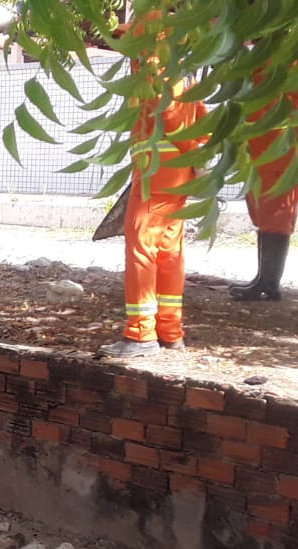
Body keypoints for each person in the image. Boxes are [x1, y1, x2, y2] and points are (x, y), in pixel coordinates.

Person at [100, 14, 209, 359]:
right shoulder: (179, 68)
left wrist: (193, 158)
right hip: (173, 175)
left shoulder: (154, 67)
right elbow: (198, 117)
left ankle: (140, 335)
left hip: (157, 175)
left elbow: (172, 113)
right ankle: (170, 330)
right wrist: (197, 163)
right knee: (168, 252)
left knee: (142, 250)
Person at [229, 81, 298, 302]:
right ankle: (264, 280)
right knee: (265, 214)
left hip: (278, 147)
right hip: (263, 147)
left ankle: (269, 283)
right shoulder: (267, 56)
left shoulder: (282, 56)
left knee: (276, 216)